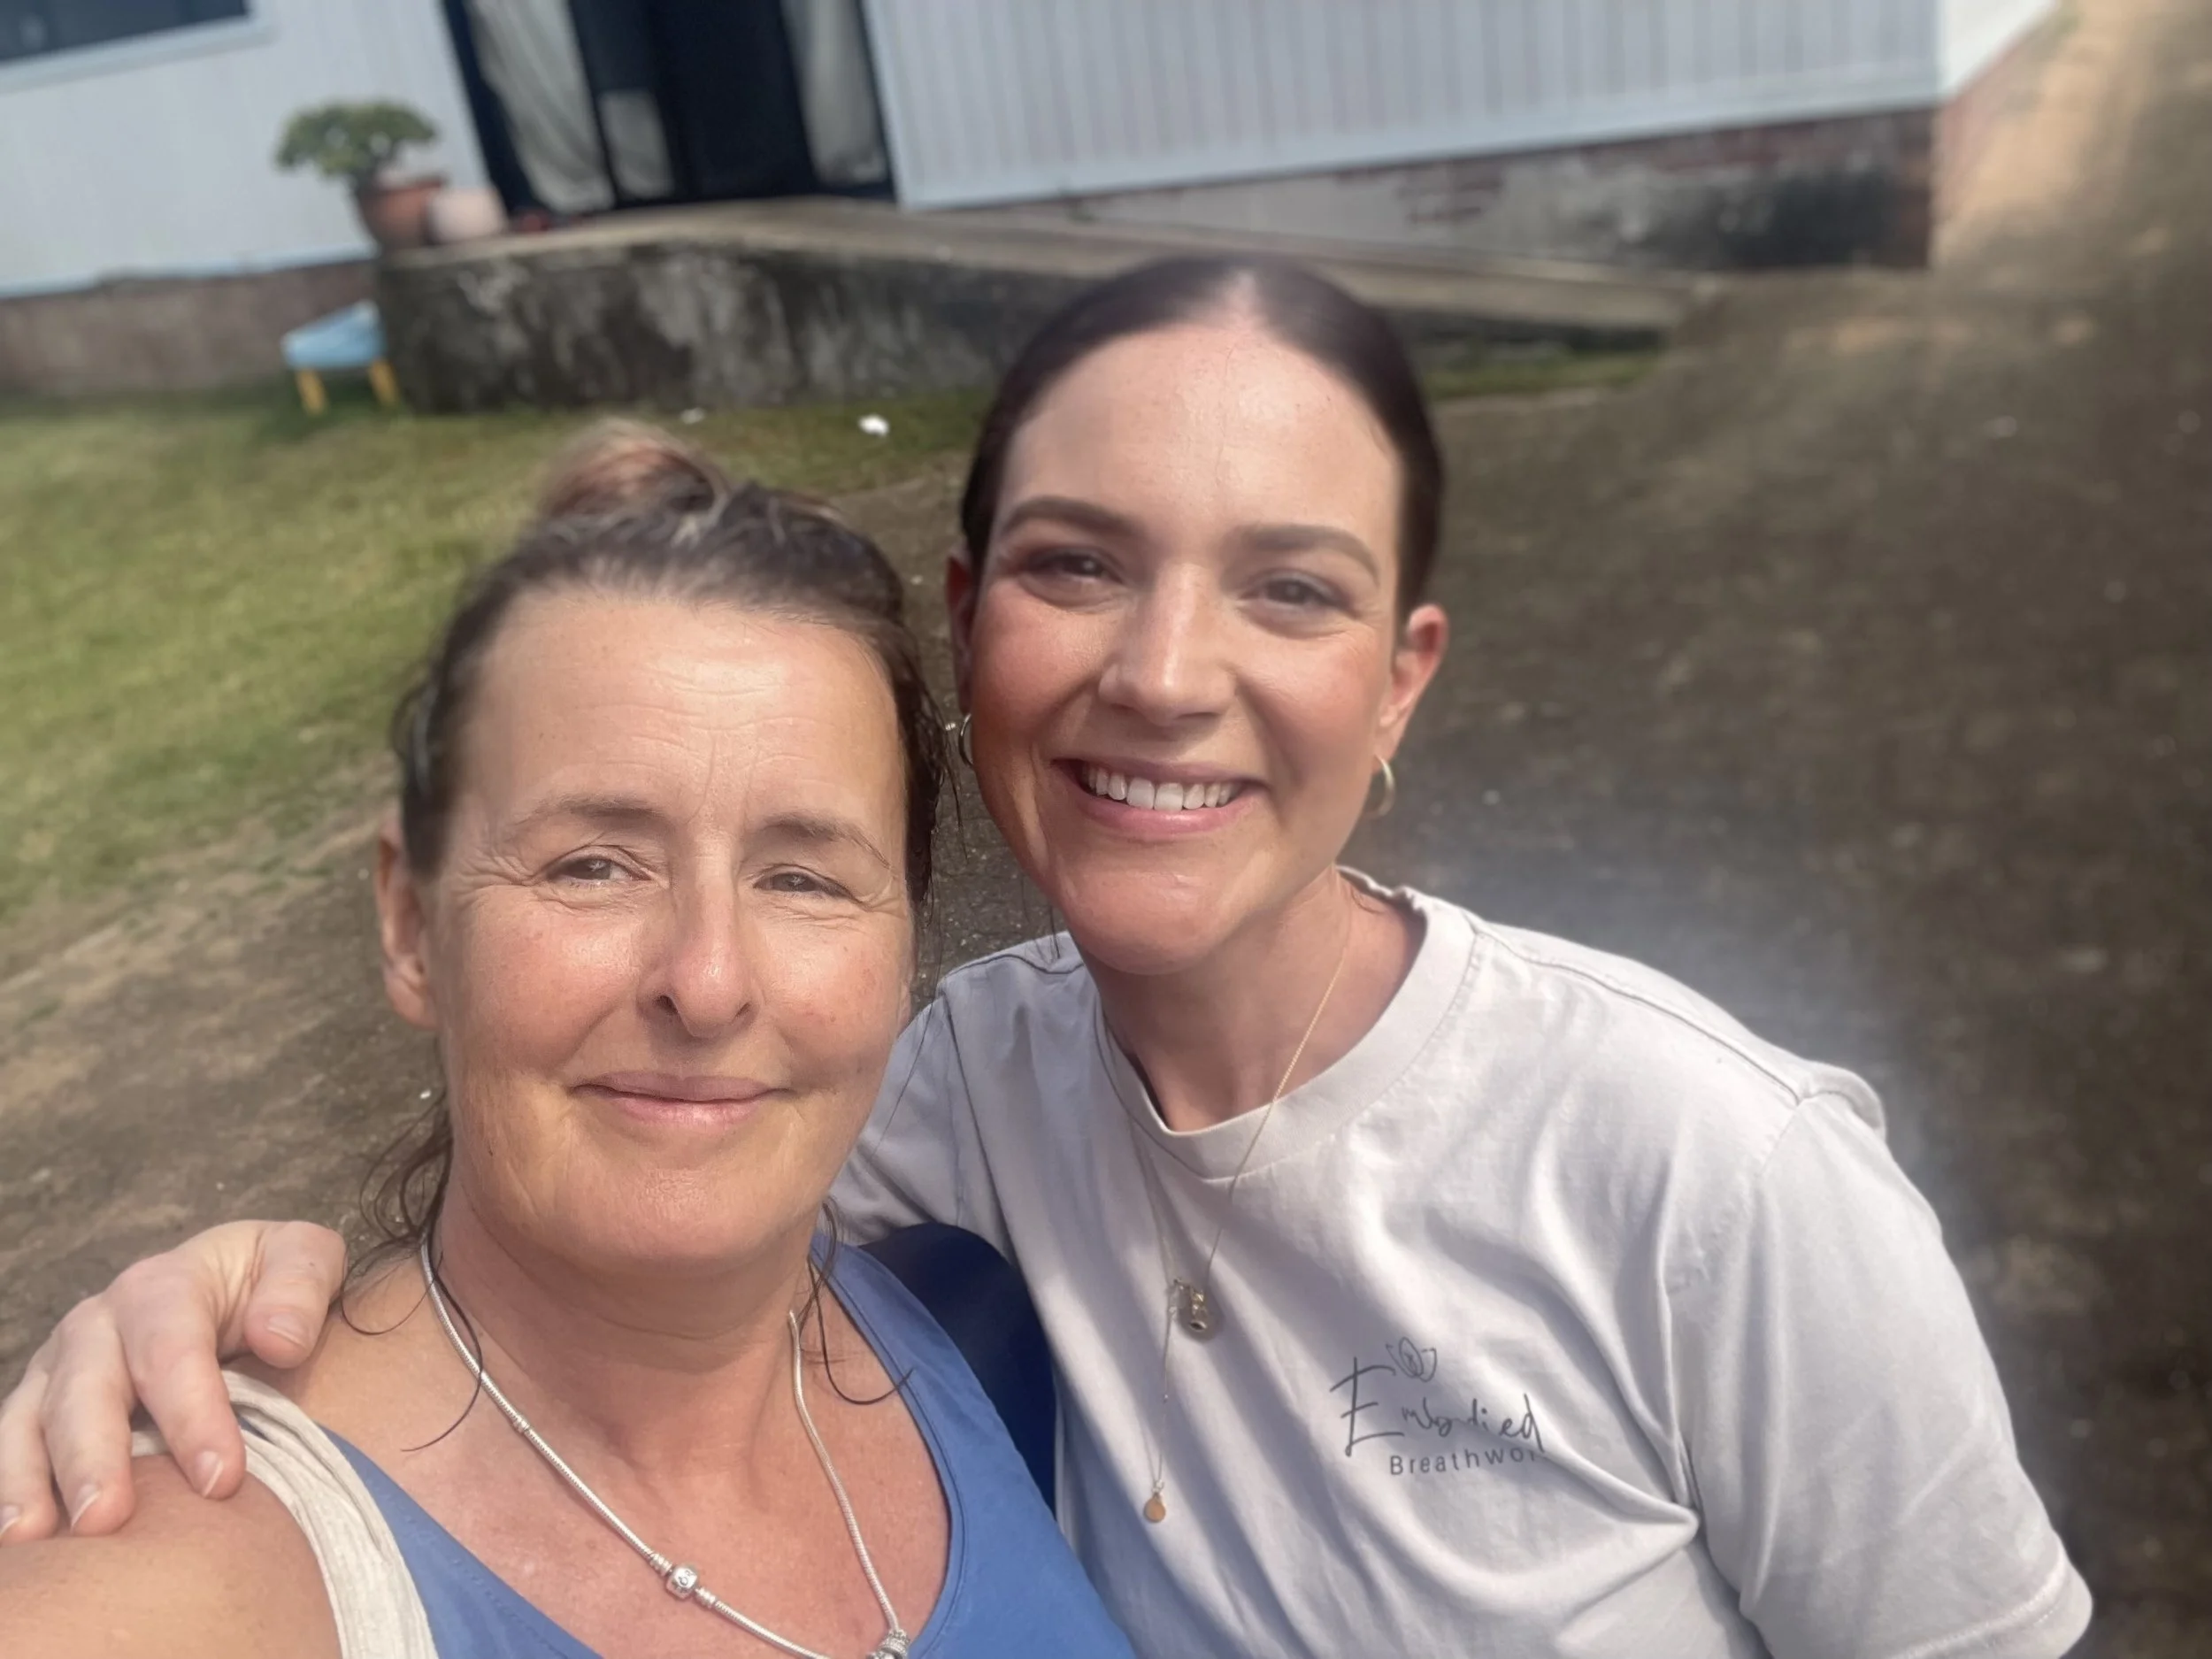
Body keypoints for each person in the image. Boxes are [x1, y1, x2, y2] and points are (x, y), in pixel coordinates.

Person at [2, 258, 2090, 1658]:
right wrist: (215, 1297)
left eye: (1289, 588)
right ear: (973, 611)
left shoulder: (1703, 1172)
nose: (1165, 673)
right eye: (1081, 563)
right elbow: (606, 1198)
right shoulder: (938, 1111)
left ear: (1397, 681)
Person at [0, 427, 1134, 1659]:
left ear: (903, 938)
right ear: (409, 921)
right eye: (592, 864)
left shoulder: (956, 1318)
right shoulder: (187, 1572)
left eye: (803, 876)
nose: (706, 982)